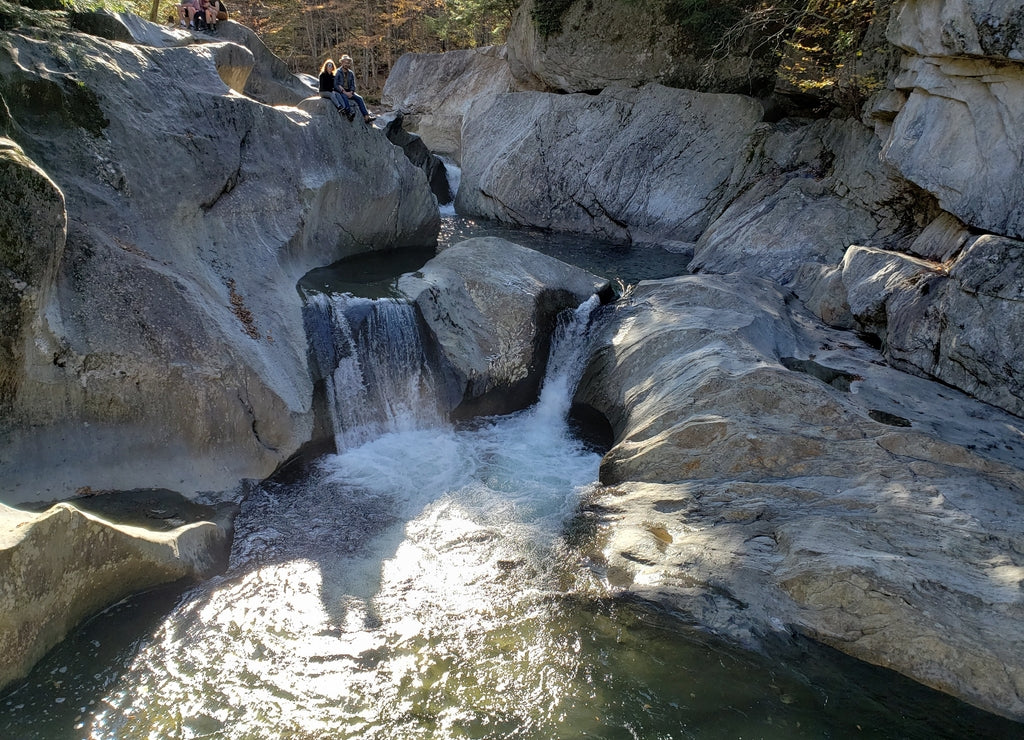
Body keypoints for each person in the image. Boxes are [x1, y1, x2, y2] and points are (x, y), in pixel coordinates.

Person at [334, 55, 377, 124]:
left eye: (348, 63)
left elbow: (353, 85)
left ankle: (366, 117)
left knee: (360, 98)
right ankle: (349, 113)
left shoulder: (351, 73)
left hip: (349, 91)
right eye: (345, 62)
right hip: (341, 91)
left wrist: (351, 91)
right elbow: (335, 85)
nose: (347, 64)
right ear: (342, 63)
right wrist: (344, 92)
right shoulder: (337, 72)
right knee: (344, 98)